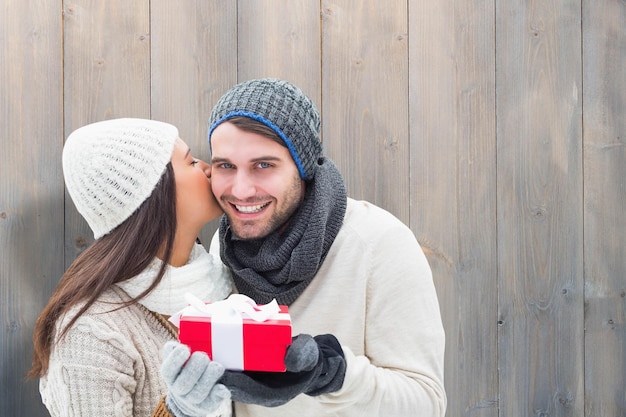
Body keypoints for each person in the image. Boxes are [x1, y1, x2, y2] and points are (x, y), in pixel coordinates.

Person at [205, 78, 447, 416]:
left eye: (264, 165)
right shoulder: (224, 246)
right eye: (225, 166)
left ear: (302, 167)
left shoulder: (379, 243)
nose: (242, 191)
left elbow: (426, 403)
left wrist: (334, 375)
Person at [28, 118, 235, 417]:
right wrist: (177, 411)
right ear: (154, 197)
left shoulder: (221, 283)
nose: (207, 168)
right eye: (190, 162)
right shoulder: (92, 331)